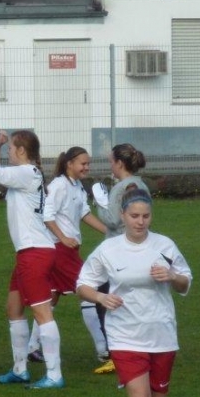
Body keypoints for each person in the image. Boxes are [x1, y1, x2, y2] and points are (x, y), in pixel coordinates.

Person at [76, 188, 192, 397]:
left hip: (162, 333)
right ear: (123, 217)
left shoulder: (164, 246)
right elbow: (82, 285)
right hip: (125, 335)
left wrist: (171, 276)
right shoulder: (109, 250)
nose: (140, 222)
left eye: (146, 216)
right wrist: (101, 296)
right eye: (134, 216)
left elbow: (185, 283)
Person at [0, 124, 64, 389]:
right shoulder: (27, 173)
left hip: (35, 253)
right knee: (14, 309)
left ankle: (54, 374)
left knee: (41, 312)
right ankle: (20, 369)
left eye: (12, 148)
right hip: (30, 251)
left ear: (22, 151)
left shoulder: (25, 173)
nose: (9, 153)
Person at [26, 147, 109, 370]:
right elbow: (46, 215)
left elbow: (84, 214)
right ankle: (104, 350)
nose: (86, 167)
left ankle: (32, 347)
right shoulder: (59, 186)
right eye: (83, 163)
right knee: (89, 290)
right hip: (59, 249)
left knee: (50, 297)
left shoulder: (77, 186)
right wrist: (62, 238)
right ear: (69, 163)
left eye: (88, 164)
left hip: (66, 249)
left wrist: (109, 232)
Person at [90, 143, 150, 374]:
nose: (110, 166)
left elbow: (112, 220)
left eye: (111, 162)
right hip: (137, 248)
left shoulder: (120, 188)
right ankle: (141, 349)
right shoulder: (140, 184)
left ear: (120, 164)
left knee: (104, 301)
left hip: (116, 251)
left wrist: (99, 202)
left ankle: (117, 355)